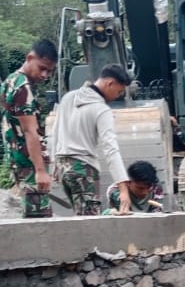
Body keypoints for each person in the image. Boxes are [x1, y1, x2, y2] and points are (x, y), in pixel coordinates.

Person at [51, 63, 133, 216]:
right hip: (83, 169)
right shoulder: (102, 110)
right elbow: (111, 149)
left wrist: (53, 164)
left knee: (81, 217)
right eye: (119, 91)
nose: (118, 96)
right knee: (91, 222)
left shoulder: (68, 98)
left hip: (63, 168)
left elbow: (55, 133)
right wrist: (123, 188)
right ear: (110, 83)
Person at [2, 39, 59, 218]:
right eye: (42, 68)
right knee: (39, 219)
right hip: (29, 165)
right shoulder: (23, 88)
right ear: (29, 58)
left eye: (49, 71)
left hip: (19, 160)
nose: (45, 75)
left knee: (31, 215)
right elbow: (29, 131)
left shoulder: (11, 80)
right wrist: (40, 171)